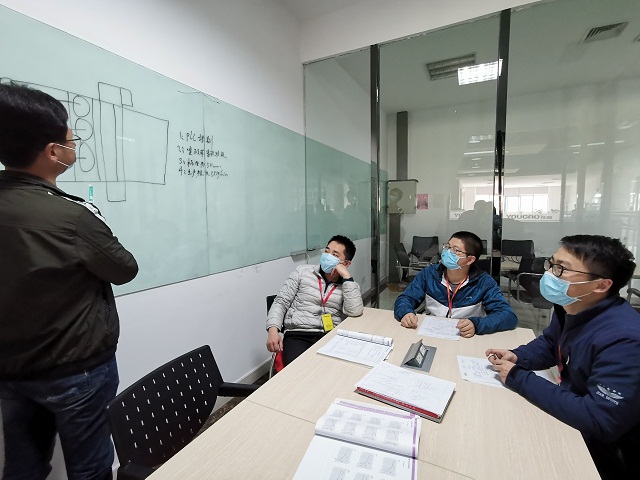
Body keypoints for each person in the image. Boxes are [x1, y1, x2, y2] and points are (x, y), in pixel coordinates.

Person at [0, 83, 138, 480]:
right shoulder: (72, 216)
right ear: (53, 152)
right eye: (71, 139)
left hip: (11, 368)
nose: (74, 146)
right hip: (77, 369)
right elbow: (124, 268)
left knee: (22, 466)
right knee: (91, 467)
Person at [486, 235, 640, 478]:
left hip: (602, 454)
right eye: (551, 264)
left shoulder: (625, 340)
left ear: (601, 285)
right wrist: (518, 356)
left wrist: (518, 377)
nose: (549, 274)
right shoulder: (572, 307)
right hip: (571, 417)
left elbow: (600, 419)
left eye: (561, 269)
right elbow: (551, 343)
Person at [394, 231, 516, 337]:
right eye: (447, 247)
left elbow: (507, 316)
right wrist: (406, 312)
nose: (448, 252)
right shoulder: (429, 274)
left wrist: (477, 325)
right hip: (431, 332)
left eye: (456, 250)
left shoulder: (484, 282)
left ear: (470, 260)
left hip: (464, 336)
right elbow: (406, 298)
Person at [266, 235, 364, 366]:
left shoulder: (349, 285)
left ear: (346, 263)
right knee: (300, 370)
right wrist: (273, 331)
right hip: (299, 334)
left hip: (330, 335)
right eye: (327, 251)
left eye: (334, 255)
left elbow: (355, 311)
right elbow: (281, 302)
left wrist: (346, 276)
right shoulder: (302, 272)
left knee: (338, 370)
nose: (327, 256)